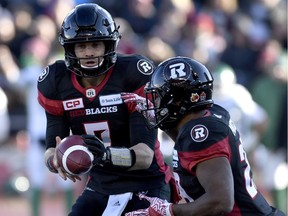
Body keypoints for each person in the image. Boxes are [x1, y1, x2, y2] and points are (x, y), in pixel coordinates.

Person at [37, 3, 172, 216]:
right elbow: (51, 147)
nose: (89, 52)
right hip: (100, 185)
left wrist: (105, 155)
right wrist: (57, 161)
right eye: (81, 46)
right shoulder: (56, 80)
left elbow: (145, 156)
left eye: (96, 44)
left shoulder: (132, 74)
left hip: (146, 184)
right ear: (70, 48)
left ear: (109, 45)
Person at [122, 56, 286, 215]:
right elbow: (187, 147)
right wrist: (162, 119)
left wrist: (168, 211)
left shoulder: (200, 133)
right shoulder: (208, 115)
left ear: (178, 100)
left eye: (158, 98)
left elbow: (220, 202)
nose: (154, 105)